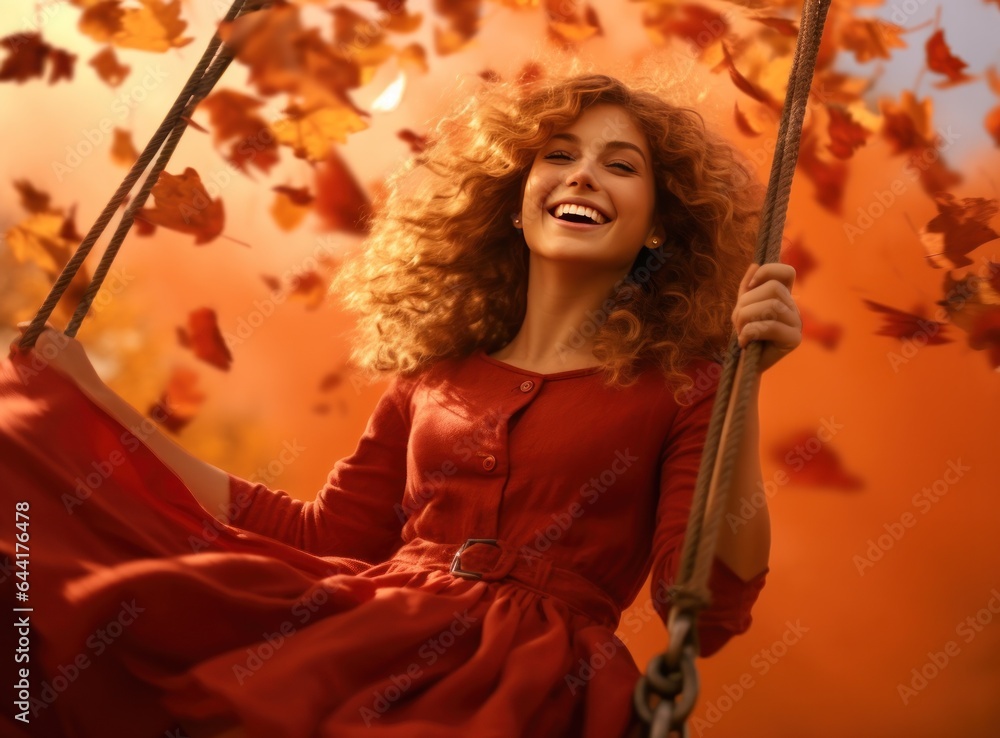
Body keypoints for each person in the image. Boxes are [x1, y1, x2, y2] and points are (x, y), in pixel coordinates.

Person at [1, 72, 802, 738]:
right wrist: (99, 402)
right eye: (559, 155)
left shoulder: (685, 384)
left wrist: (745, 384)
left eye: (620, 166)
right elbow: (320, 534)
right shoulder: (436, 373)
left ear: (659, 227)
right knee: (109, 594)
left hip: (531, 688)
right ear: (519, 203)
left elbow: (706, 602)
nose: (584, 173)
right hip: (368, 637)